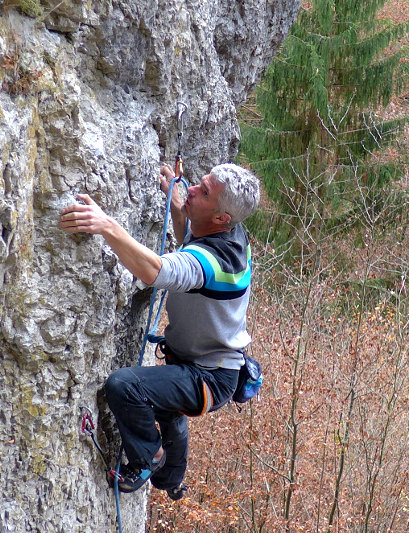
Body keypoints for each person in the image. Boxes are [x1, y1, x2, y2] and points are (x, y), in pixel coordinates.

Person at [59, 162, 260, 493]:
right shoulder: (231, 233)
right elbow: (192, 239)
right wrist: (179, 202)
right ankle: (172, 480)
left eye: (204, 192)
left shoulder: (214, 262)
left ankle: (147, 458)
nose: (193, 188)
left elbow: (156, 271)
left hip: (209, 376)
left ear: (222, 217)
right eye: (200, 182)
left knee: (126, 386)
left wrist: (106, 225)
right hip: (212, 364)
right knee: (167, 410)